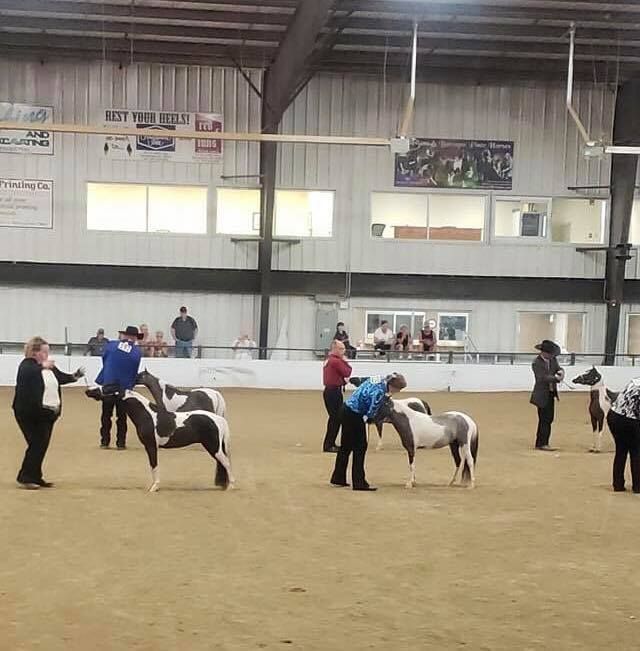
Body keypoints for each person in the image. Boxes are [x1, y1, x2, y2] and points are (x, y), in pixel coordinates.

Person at [13, 336, 84, 489]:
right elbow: (28, 374)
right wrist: (42, 366)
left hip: (47, 414)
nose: (47, 355)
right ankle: (25, 476)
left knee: (41, 445)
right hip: (29, 413)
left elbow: (61, 378)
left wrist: (75, 376)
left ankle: (35, 476)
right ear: (34, 352)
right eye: (44, 352)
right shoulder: (27, 365)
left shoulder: (47, 367)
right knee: (37, 444)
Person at [330, 373, 407, 491]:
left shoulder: (378, 378)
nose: (397, 392)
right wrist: (370, 418)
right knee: (360, 447)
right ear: (393, 386)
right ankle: (359, 482)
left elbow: (364, 381)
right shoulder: (380, 392)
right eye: (398, 389)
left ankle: (338, 477)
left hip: (345, 409)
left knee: (346, 446)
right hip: (355, 414)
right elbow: (373, 408)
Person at [95, 325, 143, 449]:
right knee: (121, 417)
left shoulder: (111, 345)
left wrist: (108, 374)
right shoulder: (137, 352)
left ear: (125, 336)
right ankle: (120, 443)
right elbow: (134, 370)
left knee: (106, 415)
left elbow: (104, 359)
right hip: (123, 388)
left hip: (109, 385)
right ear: (135, 338)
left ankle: (104, 441)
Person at [530, 339, 564, 451]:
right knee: (544, 419)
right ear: (544, 353)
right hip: (541, 395)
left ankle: (543, 442)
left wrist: (561, 372)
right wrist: (556, 378)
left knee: (549, 418)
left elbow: (559, 368)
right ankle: (542, 443)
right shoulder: (536, 363)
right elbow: (542, 378)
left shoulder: (552, 359)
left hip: (550, 394)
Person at [607, 379, 640, 493]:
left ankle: (618, 484)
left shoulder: (635, 381)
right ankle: (638, 486)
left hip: (614, 416)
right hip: (629, 419)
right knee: (636, 452)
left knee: (621, 451)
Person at [322, 340, 352, 453]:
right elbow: (347, 372)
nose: (343, 351)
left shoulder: (330, 360)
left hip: (330, 391)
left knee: (335, 418)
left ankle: (330, 443)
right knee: (336, 418)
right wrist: (345, 361)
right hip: (334, 392)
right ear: (335, 349)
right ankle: (329, 444)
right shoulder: (336, 361)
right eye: (341, 349)